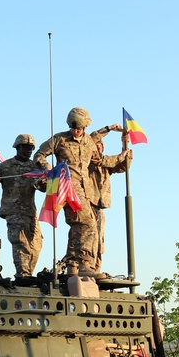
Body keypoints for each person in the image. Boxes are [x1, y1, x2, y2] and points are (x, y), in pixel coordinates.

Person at [33, 107, 122, 277]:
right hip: (66, 187)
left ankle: (72, 265)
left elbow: (100, 160)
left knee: (77, 226)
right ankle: (85, 265)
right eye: (73, 128)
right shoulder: (59, 139)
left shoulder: (89, 142)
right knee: (88, 224)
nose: (75, 131)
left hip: (84, 191)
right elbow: (39, 155)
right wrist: (46, 167)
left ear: (85, 127)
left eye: (79, 128)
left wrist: (122, 156)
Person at [0, 134, 46, 277]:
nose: (29, 151)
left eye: (31, 148)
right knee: (20, 242)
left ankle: (28, 273)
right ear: (18, 147)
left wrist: (43, 183)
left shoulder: (33, 167)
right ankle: (23, 274)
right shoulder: (5, 166)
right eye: (26, 148)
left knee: (36, 244)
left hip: (30, 211)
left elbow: (44, 188)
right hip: (13, 210)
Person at [87, 131, 132, 275]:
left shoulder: (106, 164)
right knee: (89, 236)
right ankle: (87, 266)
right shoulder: (87, 161)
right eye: (96, 145)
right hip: (88, 203)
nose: (98, 147)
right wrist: (123, 152)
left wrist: (126, 146)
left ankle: (96, 267)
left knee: (99, 238)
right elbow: (109, 160)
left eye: (100, 145)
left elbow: (123, 166)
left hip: (100, 205)